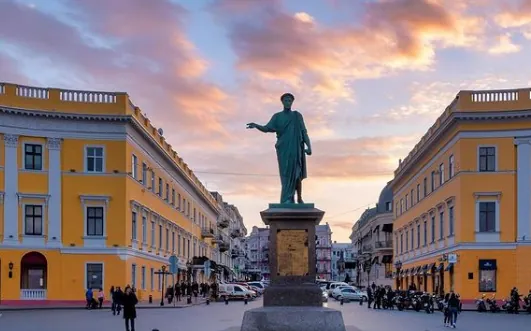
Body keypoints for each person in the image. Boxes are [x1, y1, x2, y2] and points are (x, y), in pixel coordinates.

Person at [246, 92, 312, 204]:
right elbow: (267, 128)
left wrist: (309, 146)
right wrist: (257, 126)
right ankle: (287, 198)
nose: (287, 102)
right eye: (285, 100)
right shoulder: (277, 117)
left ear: (292, 102)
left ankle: (299, 198)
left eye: (289, 100)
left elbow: (304, 131)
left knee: (296, 174)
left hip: (296, 149)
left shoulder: (297, 116)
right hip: (283, 149)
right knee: (286, 174)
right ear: (282, 102)